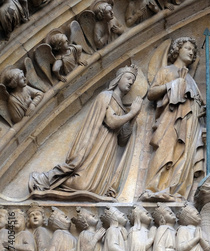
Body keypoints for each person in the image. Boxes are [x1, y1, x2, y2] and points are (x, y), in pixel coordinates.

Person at [29, 65, 143, 198]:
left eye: (133, 81)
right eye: (128, 78)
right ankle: (46, 180)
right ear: (118, 78)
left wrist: (133, 117)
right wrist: (132, 113)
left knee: (94, 188)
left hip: (106, 151)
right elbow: (112, 122)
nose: (130, 82)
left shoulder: (122, 109)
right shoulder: (106, 96)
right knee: (81, 185)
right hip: (95, 147)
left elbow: (123, 139)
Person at [144, 37, 204, 201]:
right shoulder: (167, 71)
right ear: (177, 49)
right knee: (165, 151)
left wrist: (201, 108)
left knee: (184, 156)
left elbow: (197, 101)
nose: (191, 52)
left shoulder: (190, 79)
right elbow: (151, 93)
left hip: (190, 122)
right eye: (187, 48)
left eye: (193, 50)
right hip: (170, 119)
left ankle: (176, 191)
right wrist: (174, 84)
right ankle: (153, 187)